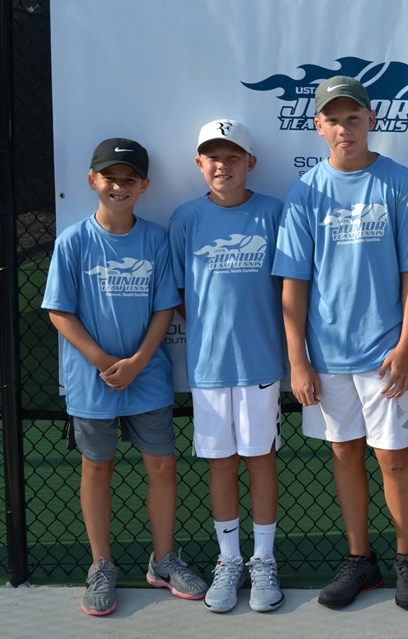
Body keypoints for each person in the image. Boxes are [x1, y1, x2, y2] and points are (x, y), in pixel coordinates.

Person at [273, 76, 408, 611]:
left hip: (386, 354)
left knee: (393, 459)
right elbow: (294, 283)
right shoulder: (305, 191)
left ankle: (407, 559)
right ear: (318, 126)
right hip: (327, 356)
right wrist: (298, 359)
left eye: (353, 117)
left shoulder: (399, 182)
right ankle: (360, 559)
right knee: (345, 454)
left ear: (371, 120)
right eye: (333, 119)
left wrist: (407, 345)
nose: (344, 128)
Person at [42, 138, 207, 616]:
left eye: (129, 179)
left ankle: (164, 560)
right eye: (110, 178)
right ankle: (101, 564)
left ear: (144, 185)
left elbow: (164, 308)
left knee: (162, 466)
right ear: (92, 180)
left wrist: (136, 362)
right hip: (91, 380)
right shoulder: (73, 241)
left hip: (148, 375)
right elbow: (59, 311)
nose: (119, 187)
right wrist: (101, 360)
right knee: (97, 467)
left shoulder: (154, 239)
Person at [168, 119, 286, 613]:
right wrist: (212, 330)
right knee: (221, 462)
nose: (223, 165)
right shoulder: (185, 218)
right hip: (209, 366)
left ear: (250, 162)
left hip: (261, 362)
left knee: (260, 458)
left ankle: (263, 560)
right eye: (213, 157)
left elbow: (290, 287)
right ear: (199, 164)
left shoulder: (274, 213)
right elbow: (178, 293)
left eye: (233, 156)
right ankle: (230, 559)